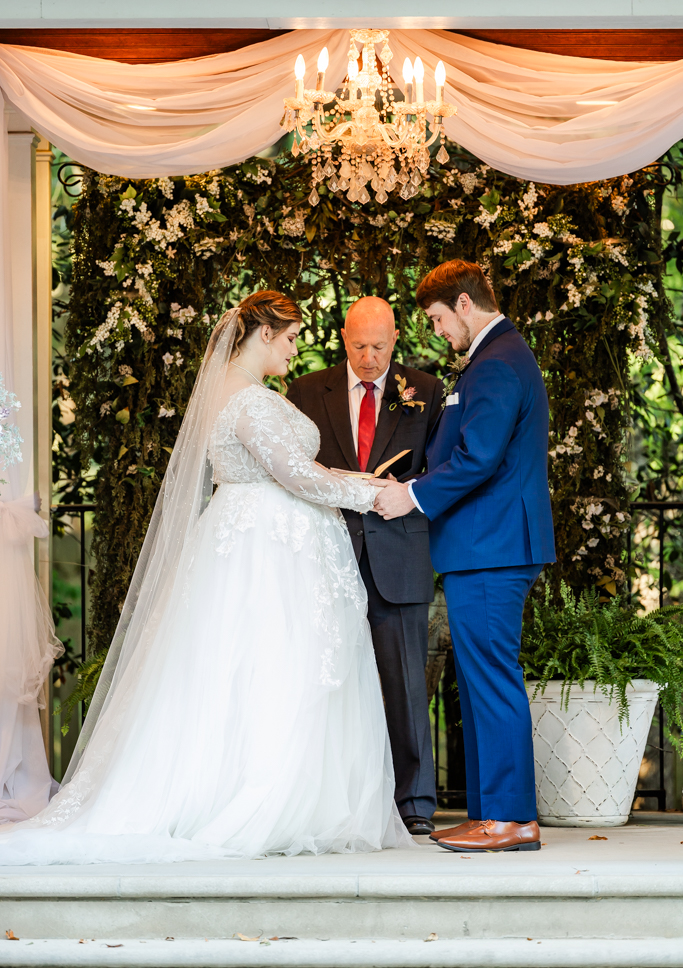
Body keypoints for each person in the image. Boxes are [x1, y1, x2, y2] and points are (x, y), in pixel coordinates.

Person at [0, 292, 411, 864]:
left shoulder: (231, 392)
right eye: (291, 338)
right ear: (263, 334)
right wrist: (374, 494)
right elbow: (294, 477)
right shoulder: (250, 402)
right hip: (268, 549)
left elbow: (297, 470)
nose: (296, 350)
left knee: (238, 665)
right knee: (273, 664)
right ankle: (263, 795)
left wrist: (355, 475)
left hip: (248, 536)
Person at [372, 261, 555, 854]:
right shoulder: (494, 357)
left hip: (492, 548)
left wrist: (412, 496)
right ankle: (489, 813)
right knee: (477, 684)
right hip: (485, 546)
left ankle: (510, 818)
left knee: (491, 680)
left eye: (436, 318)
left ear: (465, 303)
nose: (437, 331)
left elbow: (478, 459)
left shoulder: (498, 363)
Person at [287, 297, 442, 835]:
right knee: (327, 682)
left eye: (379, 346)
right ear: (343, 337)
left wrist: (411, 491)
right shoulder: (306, 390)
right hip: (330, 555)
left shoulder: (425, 389)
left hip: (398, 552)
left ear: (395, 338)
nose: (370, 357)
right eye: (359, 346)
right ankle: (331, 801)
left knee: (405, 683)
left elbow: (438, 471)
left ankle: (416, 803)